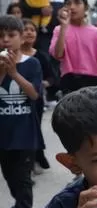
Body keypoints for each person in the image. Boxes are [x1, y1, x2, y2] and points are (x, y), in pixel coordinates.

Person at [0, 15, 41, 208]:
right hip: (3, 133)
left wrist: (14, 72)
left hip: (25, 133)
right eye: (1, 36)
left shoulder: (31, 63)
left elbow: (34, 95)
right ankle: (19, 204)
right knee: (10, 177)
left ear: (20, 37)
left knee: (24, 178)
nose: (6, 40)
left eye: (11, 35)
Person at [51, 0, 97, 95]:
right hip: (69, 81)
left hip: (93, 82)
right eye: (68, 3)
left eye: (77, 3)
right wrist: (63, 27)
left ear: (86, 7)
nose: (72, 7)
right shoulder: (59, 30)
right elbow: (58, 54)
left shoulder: (96, 33)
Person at [20, 19, 52, 172]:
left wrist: (43, 83)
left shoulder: (41, 56)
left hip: (35, 101)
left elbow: (52, 77)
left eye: (32, 30)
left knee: (33, 130)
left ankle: (33, 161)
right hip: (16, 101)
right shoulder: (12, 57)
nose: (29, 32)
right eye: (25, 29)